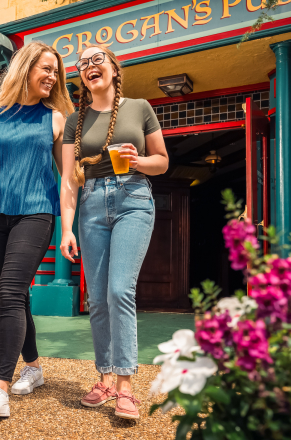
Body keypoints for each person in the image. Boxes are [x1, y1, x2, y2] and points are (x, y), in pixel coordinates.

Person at [0, 41, 73, 417]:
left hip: (36, 214)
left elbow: (69, 178)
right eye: (46, 69)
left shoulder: (56, 118)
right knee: (18, 296)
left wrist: (72, 225)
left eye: (55, 71)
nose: (52, 76)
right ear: (26, 69)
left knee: (10, 290)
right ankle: (35, 368)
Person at [59, 45, 168, 420]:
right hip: (90, 204)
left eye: (97, 60)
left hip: (133, 197)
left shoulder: (139, 107)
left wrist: (139, 160)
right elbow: (68, 180)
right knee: (98, 299)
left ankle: (125, 385)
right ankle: (104, 379)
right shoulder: (76, 119)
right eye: (83, 64)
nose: (90, 66)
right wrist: (66, 228)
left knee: (120, 289)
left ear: (113, 68)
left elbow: (163, 161)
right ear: (82, 77)